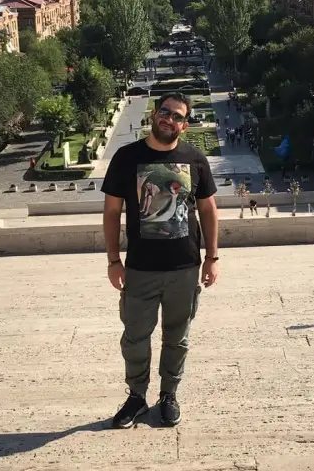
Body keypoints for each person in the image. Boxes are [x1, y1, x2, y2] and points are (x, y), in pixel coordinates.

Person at [102, 91, 219, 430]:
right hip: (140, 268)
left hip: (184, 268)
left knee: (177, 338)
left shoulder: (195, 159)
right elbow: (111, 212)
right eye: (165, 112)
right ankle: (137, 397)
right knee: (135, 338)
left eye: (178, 116)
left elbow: (208, 210)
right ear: (154, 114)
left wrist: (212, 257)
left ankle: (169, 395)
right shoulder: (127, 157)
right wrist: (113, 260)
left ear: (185, 125)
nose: (169, 119)